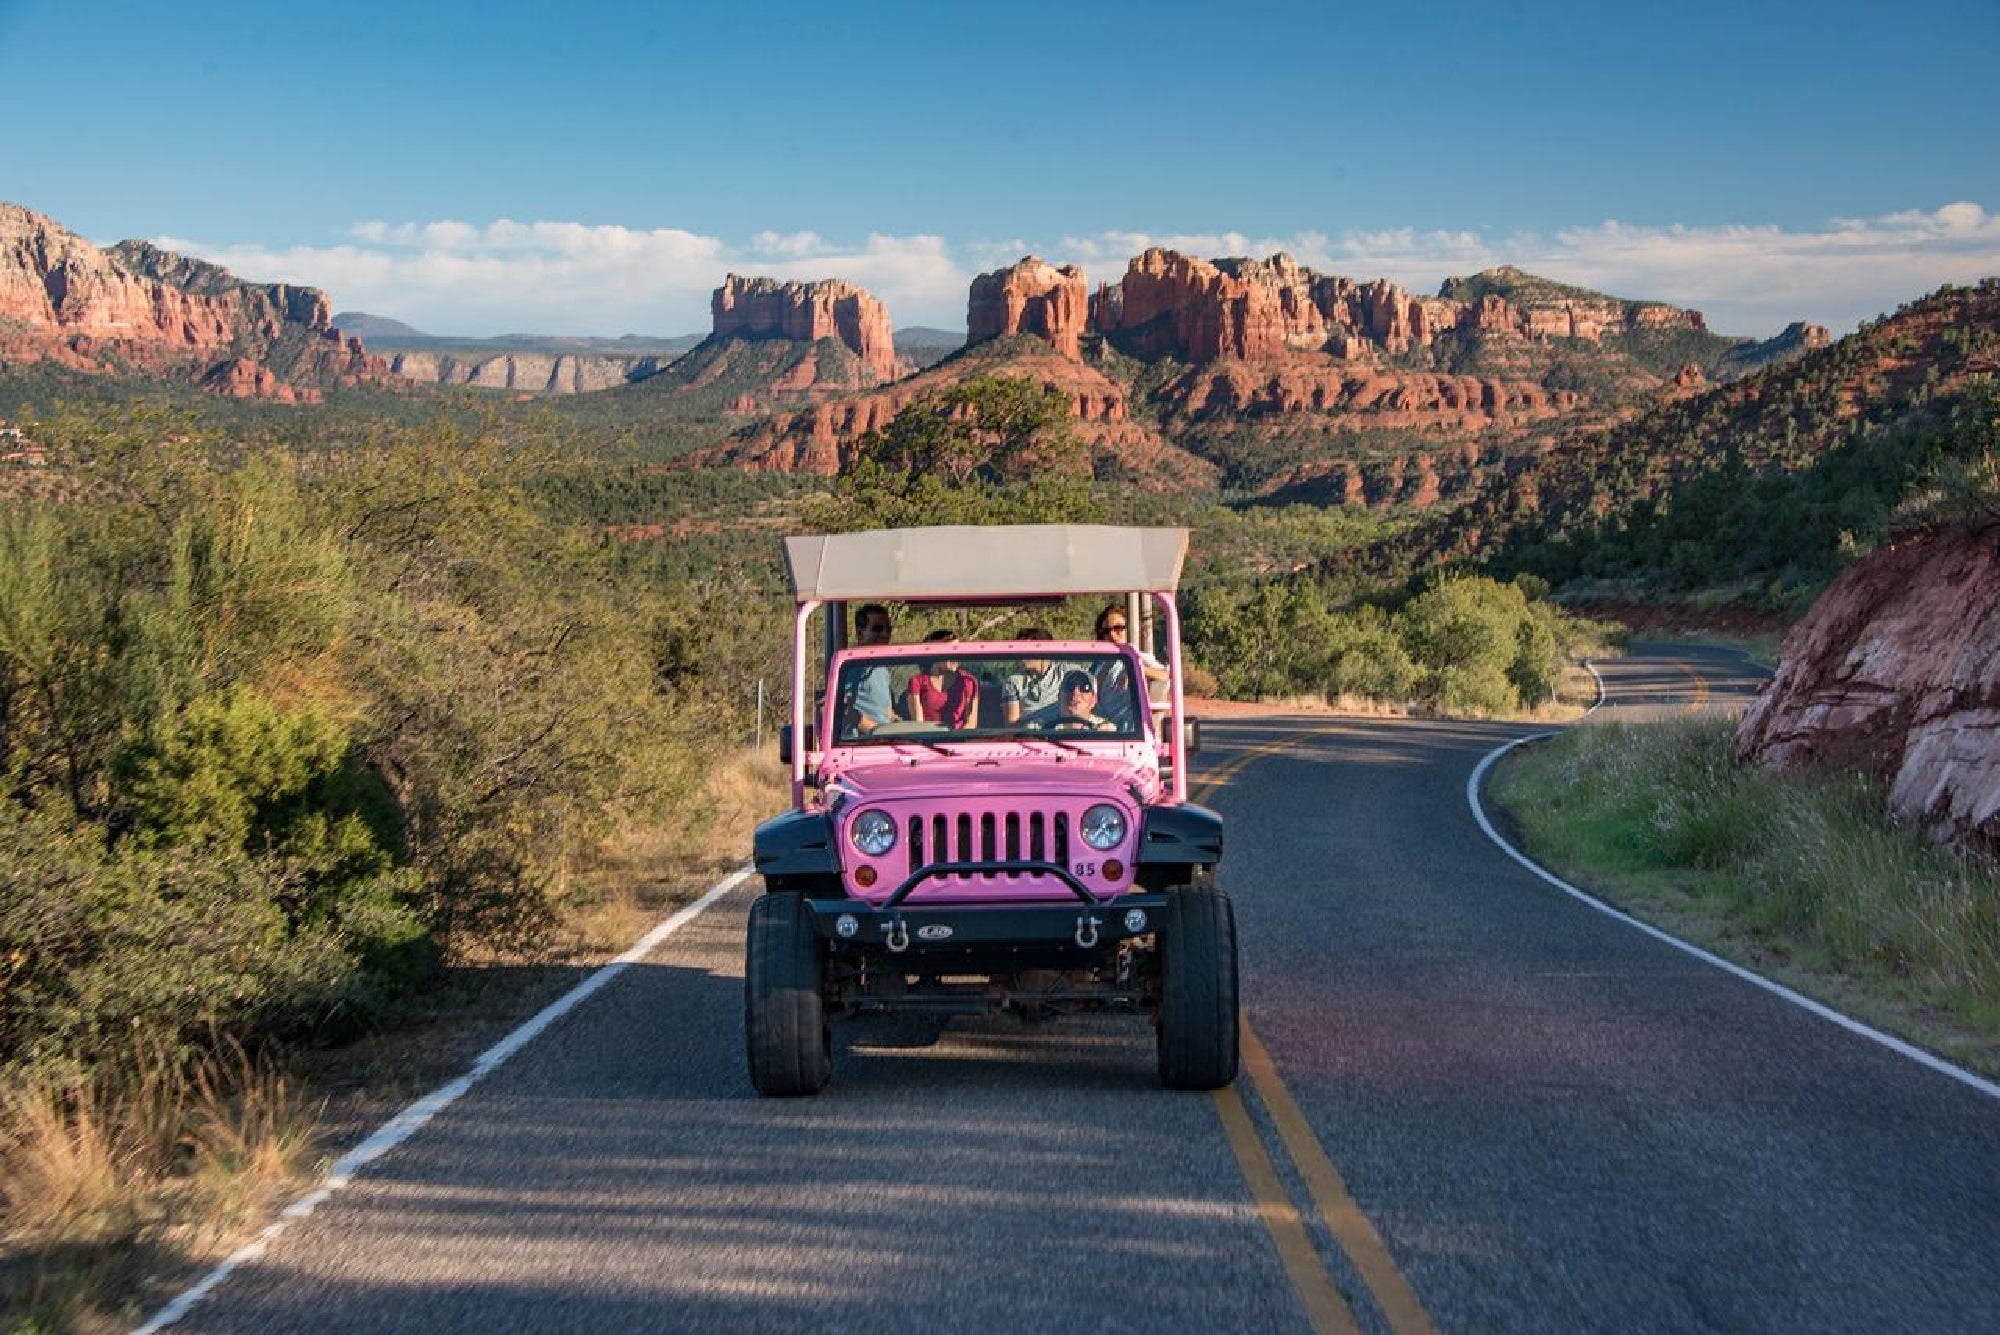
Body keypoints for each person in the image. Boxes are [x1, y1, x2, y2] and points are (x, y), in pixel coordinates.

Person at [1094, 604, 1167, 727]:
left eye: (1118, 628)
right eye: (1106, 631)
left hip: (1126, 733)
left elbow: (1164, 676)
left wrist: (1135, 670)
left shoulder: (1138, 658)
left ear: (1130, 629)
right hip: (1097, 729)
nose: (1112, 635)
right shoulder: (1100, 664)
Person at [904, 629, 979, 728]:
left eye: (957, 651)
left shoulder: (968, 681)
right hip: (928, 740)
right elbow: (919, 725)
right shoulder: (917, 682)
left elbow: (970, 725)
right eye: (950, 652)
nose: (954, 656)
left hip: (960, 741)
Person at [846, 603, 895, 735]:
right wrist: (873, 729)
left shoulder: (880, 667)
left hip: (890, 740)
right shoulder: (852, 665)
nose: (885, 634)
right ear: (860, 633)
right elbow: (843, 708)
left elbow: (882, 706)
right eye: (877, 629)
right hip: (864, 743)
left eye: (888, 629)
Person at [1002, 628, 1065, 724]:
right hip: (1028, 737)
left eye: (1026, 650)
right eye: (1018, 650)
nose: (1021, 655)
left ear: (1044, 650)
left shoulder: (1066, 673)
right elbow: (1012, 727)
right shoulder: (1014, 682)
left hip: (1064, 735)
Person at [1025, 669, 1115, 731]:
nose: (1075, 693)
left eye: (1085, 688)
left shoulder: (1106, 730)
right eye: (1070, 686)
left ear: (1094, 700)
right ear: (1059, 696)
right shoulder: (1038, 729)